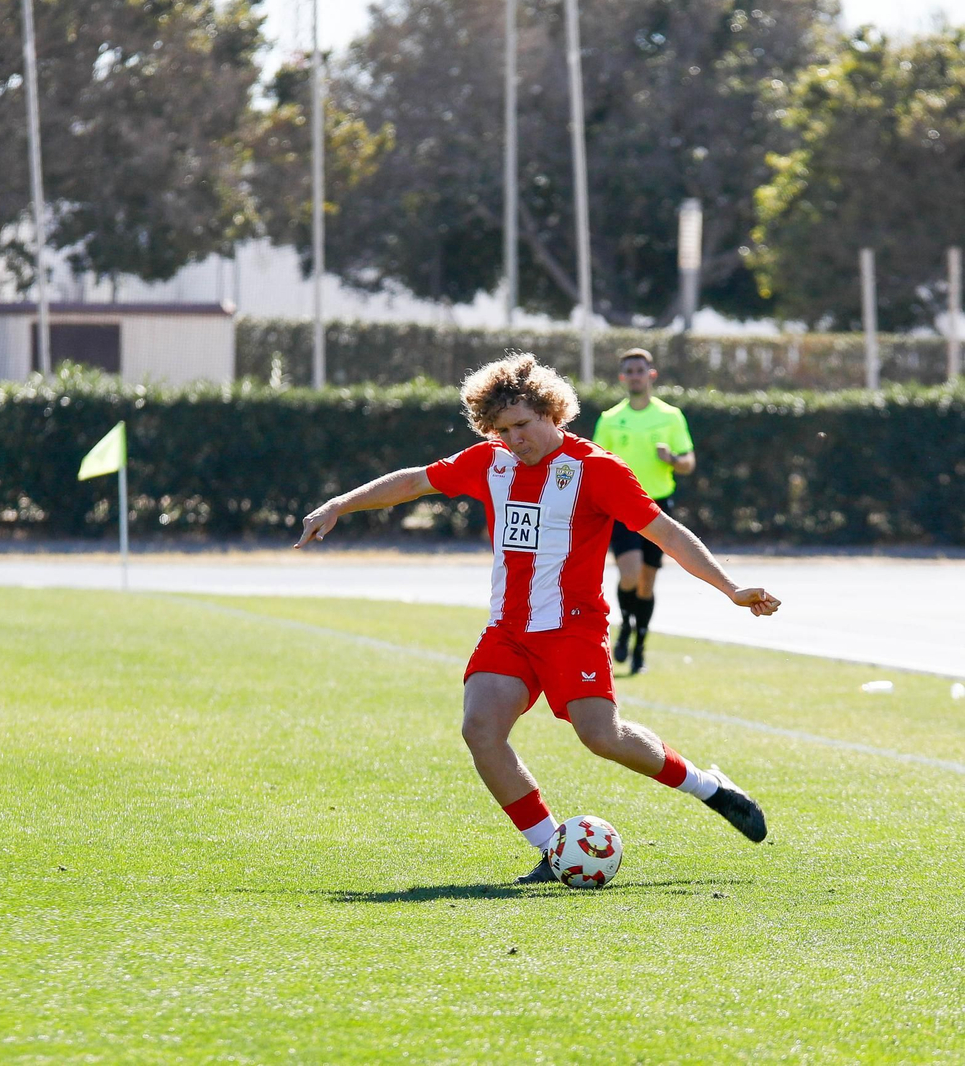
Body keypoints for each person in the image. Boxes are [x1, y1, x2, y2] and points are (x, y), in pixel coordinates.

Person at [294, 352, 777, 884]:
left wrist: (730, 587)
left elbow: (666, 533)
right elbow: (414, 482)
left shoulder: (597, 471)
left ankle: (711, 789)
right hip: (508, 631)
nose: (515, 438)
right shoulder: (490, 462)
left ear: (553, 411)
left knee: (602, 737)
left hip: (572, 629)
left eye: (523, 424)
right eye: (503, 429)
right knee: (480, 729)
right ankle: (553, 850)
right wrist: (340, 503)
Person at [592, 348, 695, 674]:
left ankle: (639, 644)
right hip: (622, 508)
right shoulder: (610, 419)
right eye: (629, 371)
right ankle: (623, 627)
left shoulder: (670, 416)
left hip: (658, 506)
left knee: (647, 584)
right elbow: (595, 463)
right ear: (622, 378)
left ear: (651, 374)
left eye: (640, 370)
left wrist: (673, 460)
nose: (635, 375)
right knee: (630, 574)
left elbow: (688, 463)